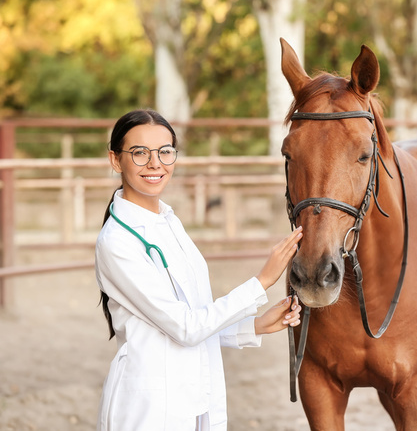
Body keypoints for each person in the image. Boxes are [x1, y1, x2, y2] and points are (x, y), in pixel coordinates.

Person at [95, 109, 303, 430]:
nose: (155, 163)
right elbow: (186, 328)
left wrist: (255, 326)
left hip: (193, 399)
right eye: (139, 153)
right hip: (151, 410)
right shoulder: (117, 242)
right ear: (115, 160)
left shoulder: (168, 221)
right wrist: (261, 282)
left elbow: (190, 324)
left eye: (165, 152)